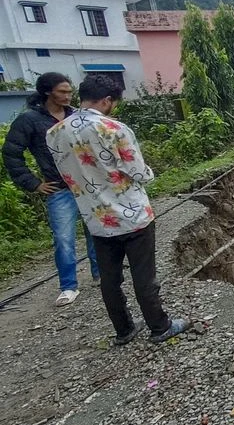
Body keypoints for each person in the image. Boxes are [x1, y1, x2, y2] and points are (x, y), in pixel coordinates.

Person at [46, 75, 189, 345]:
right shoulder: (113, 128)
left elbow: (66, 173)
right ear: (107, 100)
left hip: (96, 219)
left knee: (109, 280)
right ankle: (160, 327)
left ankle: (123, 330)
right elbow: (137, 172)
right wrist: (149, 172)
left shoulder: (54, 133)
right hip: (132, 215)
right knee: (144, 275)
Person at [2, 72, 100, 307]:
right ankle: (68, 286)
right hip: (58, 188)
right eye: (62, 92)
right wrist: (33, 183)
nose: (68, 96)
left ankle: (101, 272)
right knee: (64, 238)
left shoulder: (75, 116)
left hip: (85, 185)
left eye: (69, 91)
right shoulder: (30, 121)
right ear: (47, 92)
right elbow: (11, 153)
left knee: (95, 231)